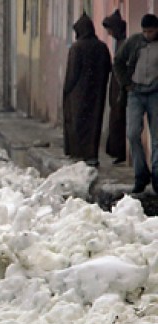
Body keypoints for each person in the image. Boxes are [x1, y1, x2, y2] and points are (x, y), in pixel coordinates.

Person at [114, 13, 158, 193]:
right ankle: (141, 174)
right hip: (135, 93)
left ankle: (156, 176)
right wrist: (126, 84)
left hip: (155, 93)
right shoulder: (133, 42)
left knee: (157, 138)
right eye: (145, 31)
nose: (148, 35)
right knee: (132, 133)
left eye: (152, 31)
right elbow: (118, 61)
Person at [63, 13, 112, 167]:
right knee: (94, 123)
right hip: (97, 94)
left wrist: (66, 91)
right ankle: (91, 154)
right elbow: (108, 68)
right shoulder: (102, 47)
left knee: (78, 123)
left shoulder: (77, 48)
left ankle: (79, 154)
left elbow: (72, 74)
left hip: (78, 94)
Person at [103, 10, 128, 164]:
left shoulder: (124, 43)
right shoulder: (119, 42)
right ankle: (117, 151)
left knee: (119, 119)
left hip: (121, 88)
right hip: (116, 87)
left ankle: (120, 151)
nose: (110, 33)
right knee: (116, 118)